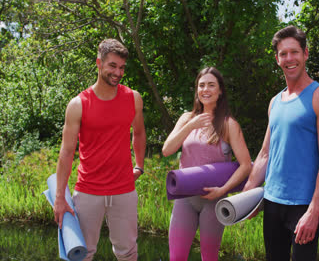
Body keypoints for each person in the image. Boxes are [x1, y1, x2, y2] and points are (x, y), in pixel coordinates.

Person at [243, 25, 319, 260]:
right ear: (277, 59)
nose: (289, 58)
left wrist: (314, 211)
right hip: (272, 200)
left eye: (294, 52)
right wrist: (247, 193)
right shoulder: (275, 102)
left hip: (303, 205)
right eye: (283, 54)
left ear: (305, 54)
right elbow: (265, 153)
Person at [53, 38, 146, 261]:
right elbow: (66, 153)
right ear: (99, 63)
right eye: (112, 66)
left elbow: (140, 133)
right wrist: (59, 196)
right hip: (87, 191)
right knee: (82, 253)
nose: (118, 72)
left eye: (122, 67)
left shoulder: (133, 98)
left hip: (124, 190)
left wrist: (139, 166)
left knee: (128, 252)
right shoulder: (78, 104)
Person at [162, 67, 252, 261]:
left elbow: (245, 165)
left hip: (214, 200)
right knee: (176, 257)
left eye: (211, 85)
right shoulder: (187, 118)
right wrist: (190, 126)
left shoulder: (228, 124)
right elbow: (167, 150)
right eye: (201, 85)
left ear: (220, 91)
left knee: (209, 257)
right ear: (196, 90)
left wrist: (223, 190)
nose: (205, 89)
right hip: (184, 198)